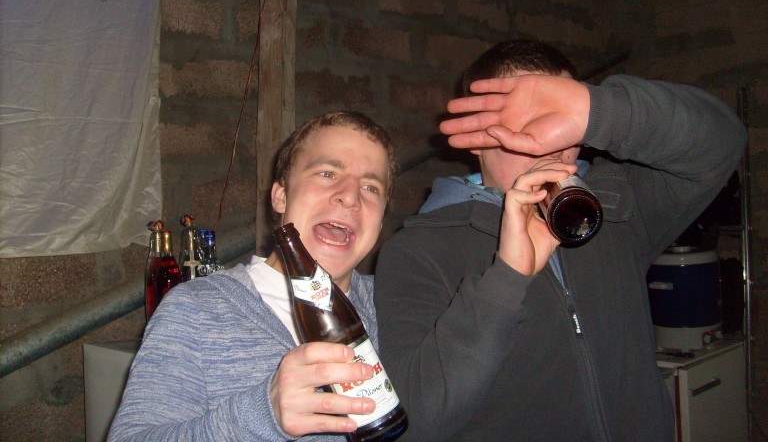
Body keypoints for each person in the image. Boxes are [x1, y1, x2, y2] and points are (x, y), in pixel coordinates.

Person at [373, 39, 746, 442]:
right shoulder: (416, 251)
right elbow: (414, 425)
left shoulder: (616, 205)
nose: (551, 146)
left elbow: (722, 141)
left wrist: (598, 111)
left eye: (562, 124)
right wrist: (506, 279)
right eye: (528, 123)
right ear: (478, 136)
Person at [109, 110, 398, 441]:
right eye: (327, 173)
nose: (350, 196)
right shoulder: (196, 309)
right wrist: (263, 414)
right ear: (280, 196)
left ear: (380, 220)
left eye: (370, 187)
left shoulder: (398, 306)